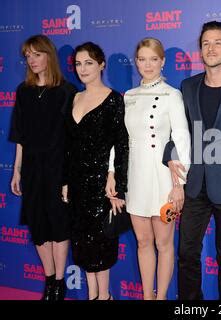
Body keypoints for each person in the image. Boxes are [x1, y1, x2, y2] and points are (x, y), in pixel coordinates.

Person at [163, 21, 221, 300]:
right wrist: (170, 156)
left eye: (217, 43)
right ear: (200, 51)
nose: (211, 48)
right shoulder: (188, 86)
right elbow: (179, 130)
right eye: (205, 43)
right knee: (187, 252)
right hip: (195, 183)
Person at [107, 38, 190, 300]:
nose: (148, 65)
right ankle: (147, 296)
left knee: (164, 244)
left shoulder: (172, 95)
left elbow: (182, 138)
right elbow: (118, 140)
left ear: (162, 61)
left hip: (164, 179)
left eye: (153, 59)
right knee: (143, 242)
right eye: (142, 59)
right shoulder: (129, 96)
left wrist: (179, 185)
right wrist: (112, 172)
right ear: (136, 62)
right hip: (135, 177)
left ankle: (161, 296)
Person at [9, 35, 77, 300]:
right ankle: (49, 280)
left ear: (49, 55)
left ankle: (59, 283)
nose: (32, 60)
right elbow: (20, 136)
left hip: (58, 168)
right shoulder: (23, 91)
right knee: (38, 225)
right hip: (32, 169)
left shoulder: (67, 91)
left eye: (37, 54)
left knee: (58, 224)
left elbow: (72, 138)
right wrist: (17, 170)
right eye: (27, 55)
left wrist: (68, 177)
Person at [63, 42, 129, 300]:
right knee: (83, 246)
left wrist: (116, 182)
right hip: (78, 186)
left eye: (89, 62)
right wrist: (65, 181)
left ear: (101, 64)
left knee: (101, 245)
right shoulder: (74, 97)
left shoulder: (114, 100)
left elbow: (121, 146)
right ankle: (93, 296)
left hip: (103, 186)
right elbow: (68, 145)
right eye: (78, 64)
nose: (83, 69)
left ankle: (105, 297)